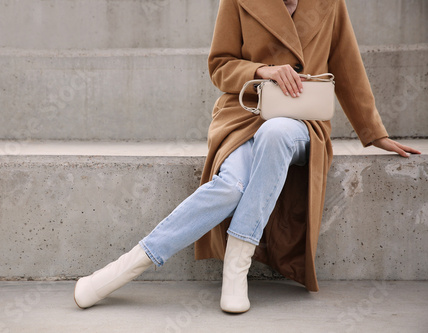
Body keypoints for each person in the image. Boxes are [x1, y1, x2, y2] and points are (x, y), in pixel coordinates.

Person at [74, 0, 421, 314]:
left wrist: (375, 133)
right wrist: (262, 71)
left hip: (303, 121)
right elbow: (219, 66)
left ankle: (236, 268)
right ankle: (124, 268)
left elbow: (347, 66)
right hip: (244, 113)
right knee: (230, 186)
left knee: (277, 132)